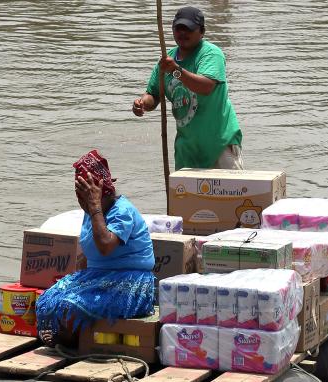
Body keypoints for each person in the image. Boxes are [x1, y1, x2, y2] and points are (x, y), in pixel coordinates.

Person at [35, 150, 155, 347]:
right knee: (48, 300)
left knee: (69, 306)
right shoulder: (90, 212)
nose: (80, 200)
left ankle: (72, 340)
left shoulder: (122, 211)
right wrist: (74, 281)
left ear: (100, 191)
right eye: (78, 194)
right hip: (98, 276)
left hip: (130, 282)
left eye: (84, 194)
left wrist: (94, 206)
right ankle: (66, 333)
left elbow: (105, 246)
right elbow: (89, 253)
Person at [132, 6, 243, 171]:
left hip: (219, 146)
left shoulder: (211, 54)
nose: (182, 33)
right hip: (187, 151)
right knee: (187, 197)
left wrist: (175, 70)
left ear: (202, 31)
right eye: (179, 28)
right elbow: (154, 94)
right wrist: (143, 103)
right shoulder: (165, 61)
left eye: (188, 29)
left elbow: (206, 86)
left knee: (230, 196)